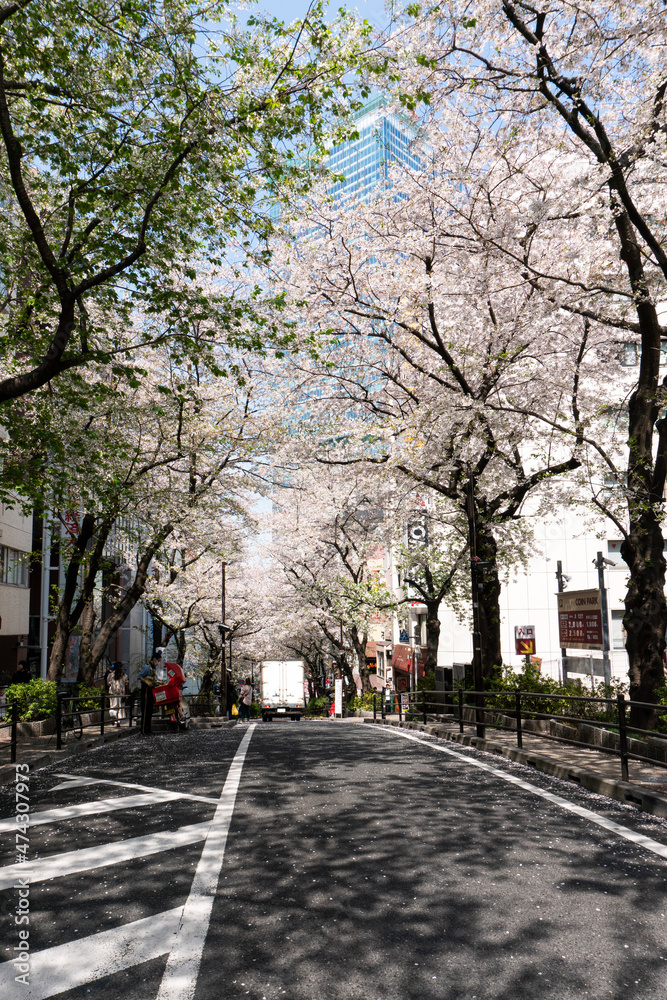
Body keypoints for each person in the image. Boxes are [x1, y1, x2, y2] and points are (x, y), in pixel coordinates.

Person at [137, 651, 160, 735]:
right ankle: (143, 730)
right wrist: (147, 683)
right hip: (146, 689)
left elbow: (151, 678)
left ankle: (148, 729)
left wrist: (157, 682)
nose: (158, 663)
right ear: (154, 659)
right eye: (158, 661)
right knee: (146, 709)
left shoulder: (153, 668)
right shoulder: (147, 667)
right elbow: (139, 677)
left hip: (151, 689)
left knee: (150, 710)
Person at [108, 662, 129, 727]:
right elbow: (126, 684)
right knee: (120, 708)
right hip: (120, 693)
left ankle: (114, 716)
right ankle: (118, 720)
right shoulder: (124, 675)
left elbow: (108, 683)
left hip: (113, 693)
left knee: (113, 706)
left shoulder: (111, 675)